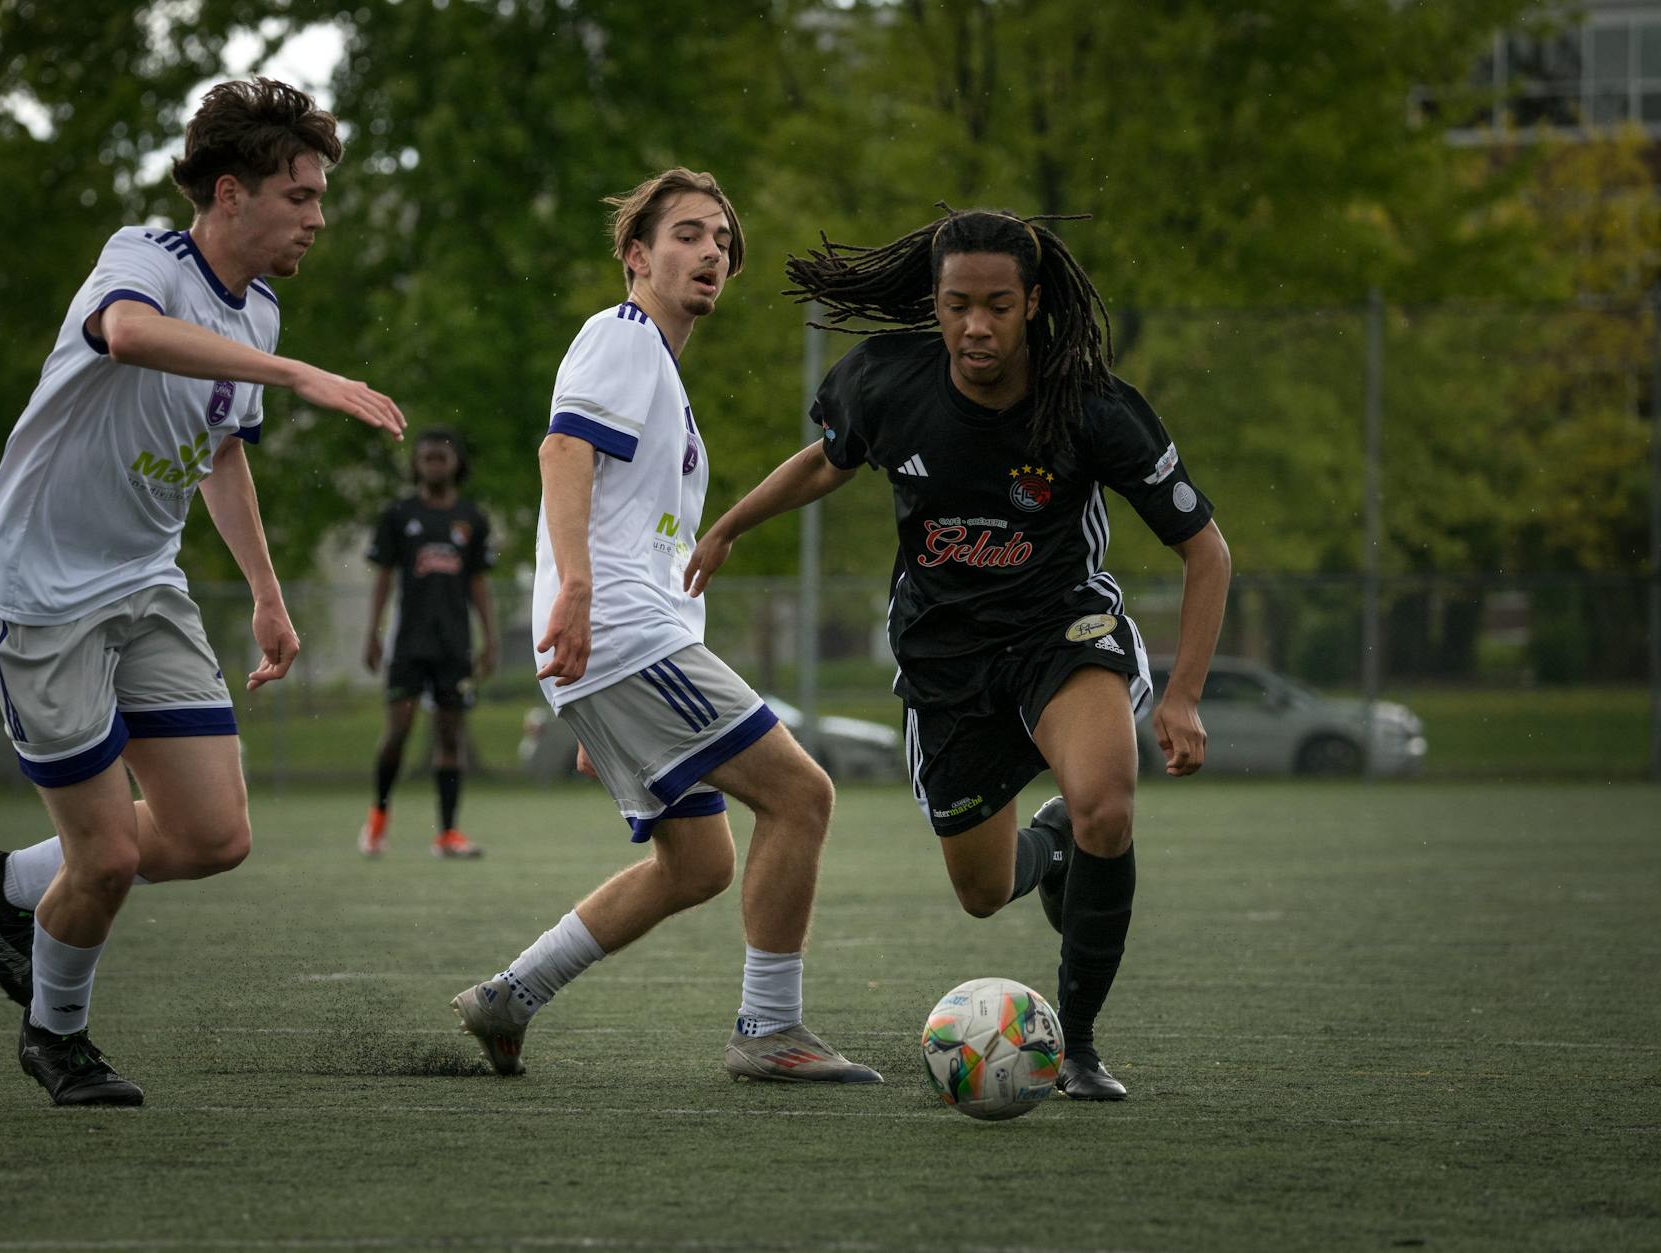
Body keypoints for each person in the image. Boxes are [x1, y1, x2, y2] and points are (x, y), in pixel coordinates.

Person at [684, 208, 1233, 1101]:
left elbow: (1206, 551)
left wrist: (1183, 696)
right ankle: (1048, 852)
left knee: (1105, 803)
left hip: (1061, 633)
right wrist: (732, 525)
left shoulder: (1089, 403)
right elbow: (831, 459)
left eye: (998, 305)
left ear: (1033, 304)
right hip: (943, 663)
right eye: (956, 305)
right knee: (983, 892)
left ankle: (1079, 1045)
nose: (976, 326)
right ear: (934, 306)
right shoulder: (887, 383)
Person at [0, 78, 404, 1107]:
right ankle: (57, 1037)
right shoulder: (145, 258)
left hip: (145, 582)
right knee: (105, 855)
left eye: (320, 197)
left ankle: (12, 882)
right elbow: (129, 336)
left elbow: (220, 453)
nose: (317, 218)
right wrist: (301, 379)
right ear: (231, 193)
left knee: (211, 838)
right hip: (38, 591)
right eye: (300, 195)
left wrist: (268, 593)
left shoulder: (263, 311)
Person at [449, 168, 880, 1085]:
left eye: (722, 241)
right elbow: (561, 450)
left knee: (699, 862)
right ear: (637, 257)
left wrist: (600, 711)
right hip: (623, 636)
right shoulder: (624, 334)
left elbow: (626, 518)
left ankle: (509, 996)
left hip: (620, 650)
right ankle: (770, 1030)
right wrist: (577, 596)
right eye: (688, 234)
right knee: (803, 796)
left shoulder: (660, 370)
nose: (712, 253)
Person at [360, 427, 495, 859]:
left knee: (450, 737)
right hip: (409, 645)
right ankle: (378, 818)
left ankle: (448, 833)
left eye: (442, 457)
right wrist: (373, 632)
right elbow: (383, 576)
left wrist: (489, 639)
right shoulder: (400, 514)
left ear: (456, 463)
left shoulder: (472, 518)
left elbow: (478, 582)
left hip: (454, 645)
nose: (434, 464)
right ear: (416, 464)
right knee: (398, 730)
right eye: (427, 458)